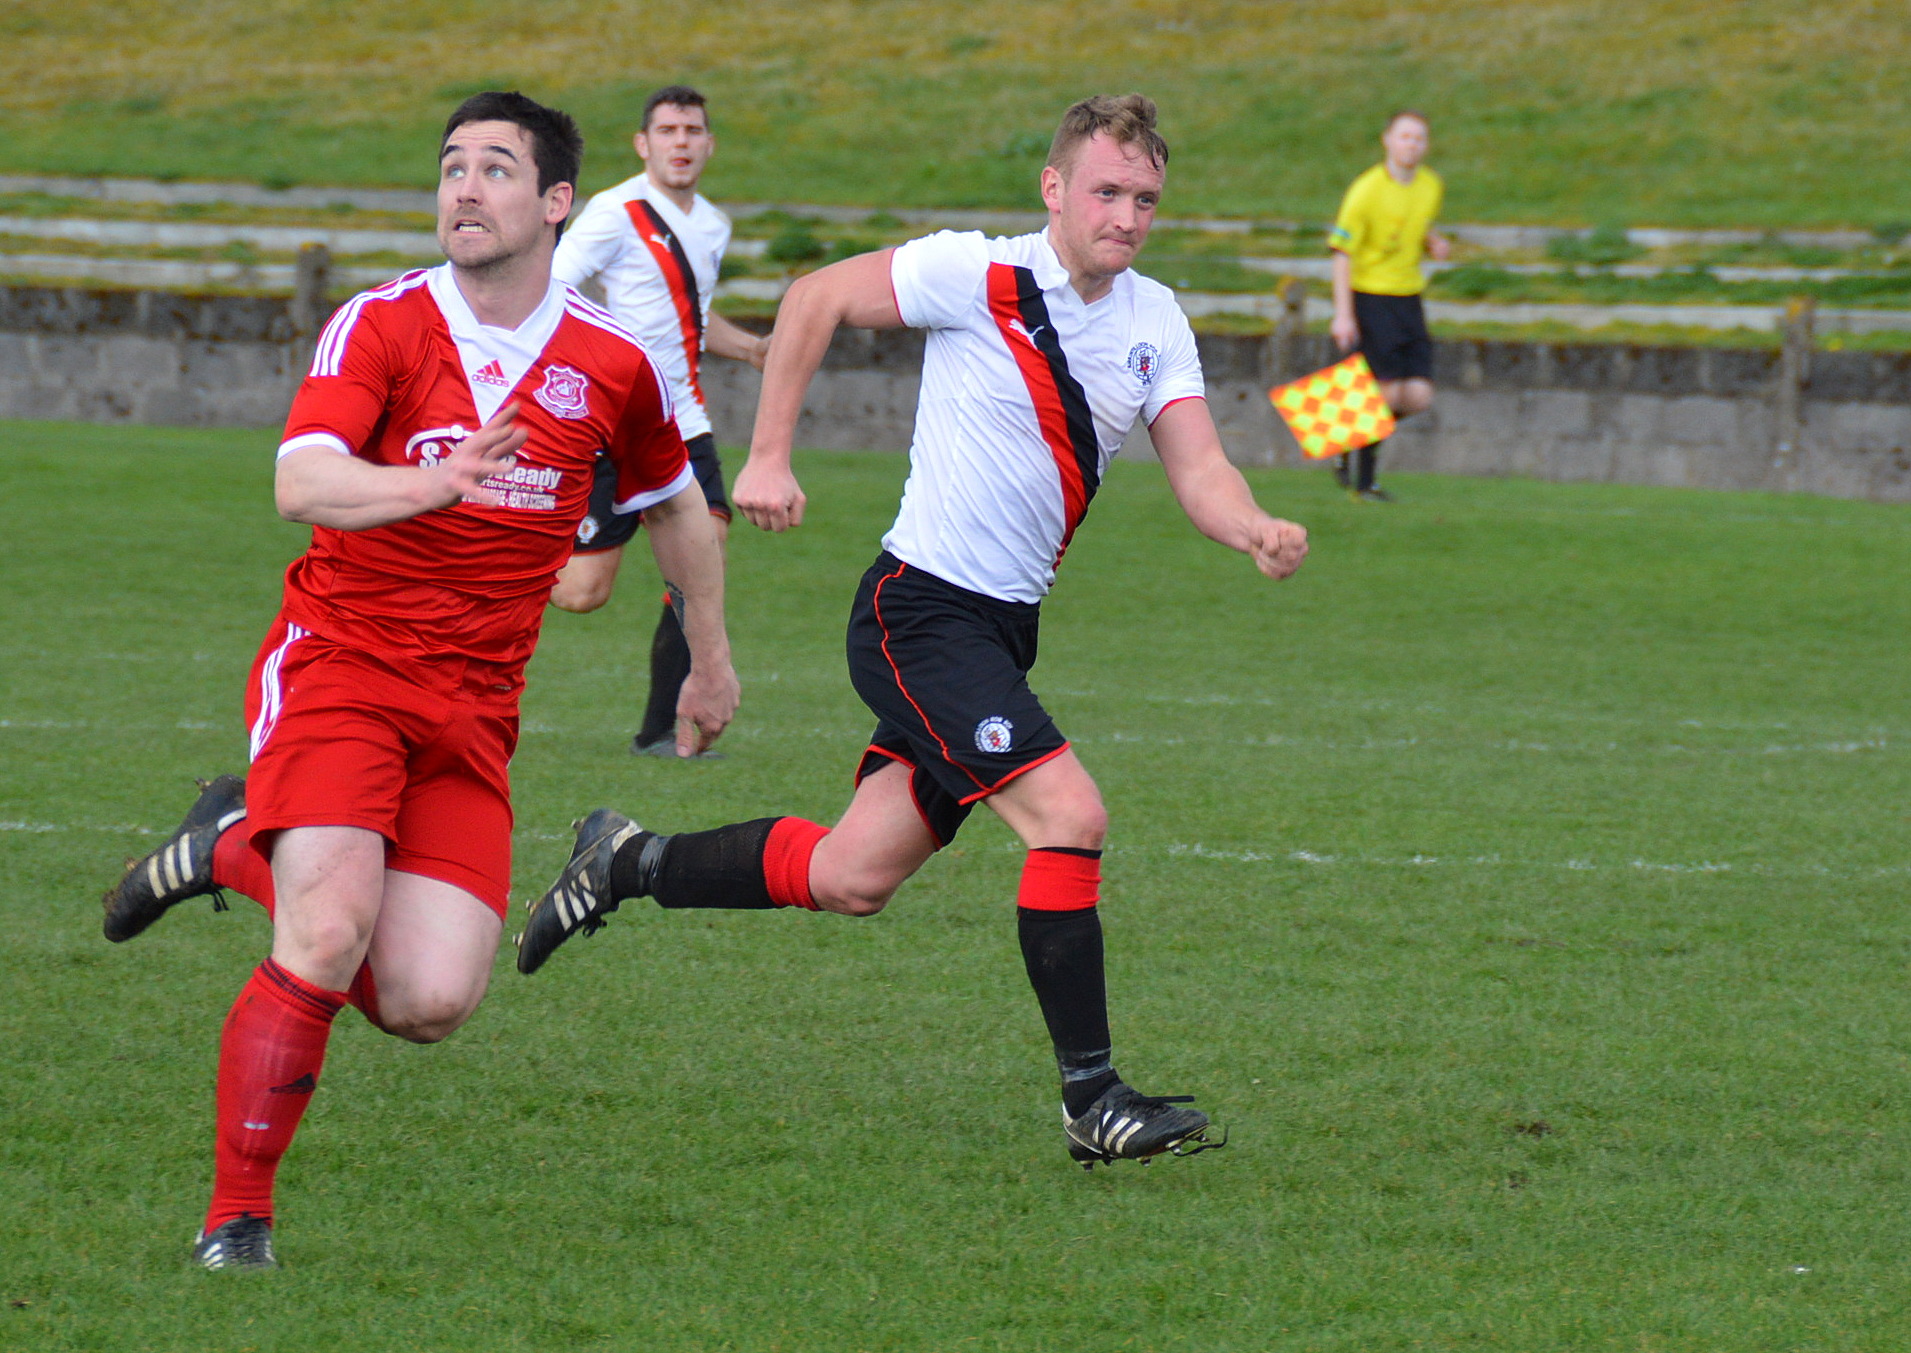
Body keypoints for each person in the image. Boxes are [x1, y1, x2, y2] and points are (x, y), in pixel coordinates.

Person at [515, 94, 1309, 1169]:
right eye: (1107, 193)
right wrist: (768, 455)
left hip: (1000, 631)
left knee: (852, 875)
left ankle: (623, 860)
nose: (1127, 216)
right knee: (1069, 814)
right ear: (1054, 189)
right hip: (918, 614)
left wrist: (1252, 525)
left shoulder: (1155, 319)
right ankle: (1092, 1100)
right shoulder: (975, 273)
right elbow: (815, 296)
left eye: (1145, 200)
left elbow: (1200, 466)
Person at [98, 91, 738, 1270]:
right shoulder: (384, 324)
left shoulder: (612, 359)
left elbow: (678, 508)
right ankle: (237, 1223)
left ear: (556, 202)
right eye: (452, 168)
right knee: (328, 929)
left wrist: (709, 656)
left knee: (429, 1001)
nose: (464, 188)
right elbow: (301, 482)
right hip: (341, 666)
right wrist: (428, 484)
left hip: (474, 710)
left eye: (495, 169)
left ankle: (228, 844)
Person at [551, 84, 769, 758]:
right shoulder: (614, 213)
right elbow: (552, 287)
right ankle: (487, 551)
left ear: (709, 144)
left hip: (684, 423)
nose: (681, 142)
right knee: (581, 593)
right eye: (668, 131)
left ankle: (660, 732)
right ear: (643, 144)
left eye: (692, 131)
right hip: (613, 424)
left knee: (704, 560)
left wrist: (754, 349)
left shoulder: (713, 224)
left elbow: (689, 316)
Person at [1327, 109, 1449, 502]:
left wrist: (1431, 241)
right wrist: (1343, 314)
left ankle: (1345, 436)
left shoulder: (1430, 186)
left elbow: (1412, 222)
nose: (1412, 145)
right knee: (1386, 393)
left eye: (1419, 138)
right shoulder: (1366, 190)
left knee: (1418, 396)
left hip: (1409, 297)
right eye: (1404, 136)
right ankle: (1365, 482)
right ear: (1388, 141)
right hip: (1372, 296)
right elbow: (1342, 252)